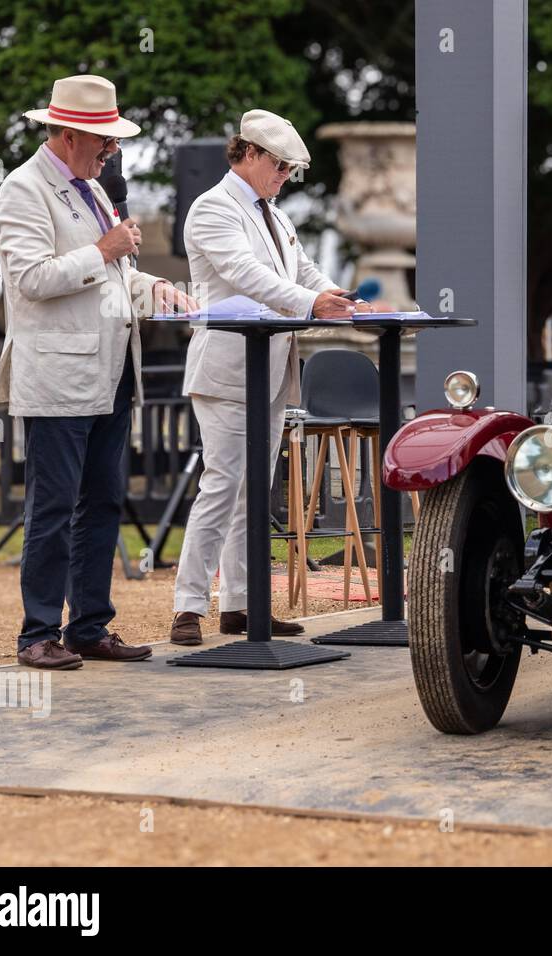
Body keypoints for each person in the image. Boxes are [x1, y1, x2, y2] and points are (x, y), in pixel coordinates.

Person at [0, 75, 197, 670]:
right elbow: (31, 280)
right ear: (71, 133)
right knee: (53, 507)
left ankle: (88, 626)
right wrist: (103, 252)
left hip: (110, 372)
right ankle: (36, 635)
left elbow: (113, 274)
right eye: (104, 141)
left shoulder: (93, 190)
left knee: (103, 500)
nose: (112, 152)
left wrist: (152, 285)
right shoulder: (22, 190)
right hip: (58, 375)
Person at [168, 110, 367, 646]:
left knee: (253, 492)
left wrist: (341, 300)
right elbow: (244, 276)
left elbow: (301, 271)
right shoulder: (212, 207)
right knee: (223, 484)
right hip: (228, 368)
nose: (284, 176)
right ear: (248, 153)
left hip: (271, 366)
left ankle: (241, 604)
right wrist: (313, 303)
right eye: (279, 165)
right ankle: (189, 605)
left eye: (289, 169)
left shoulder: (276, 216)